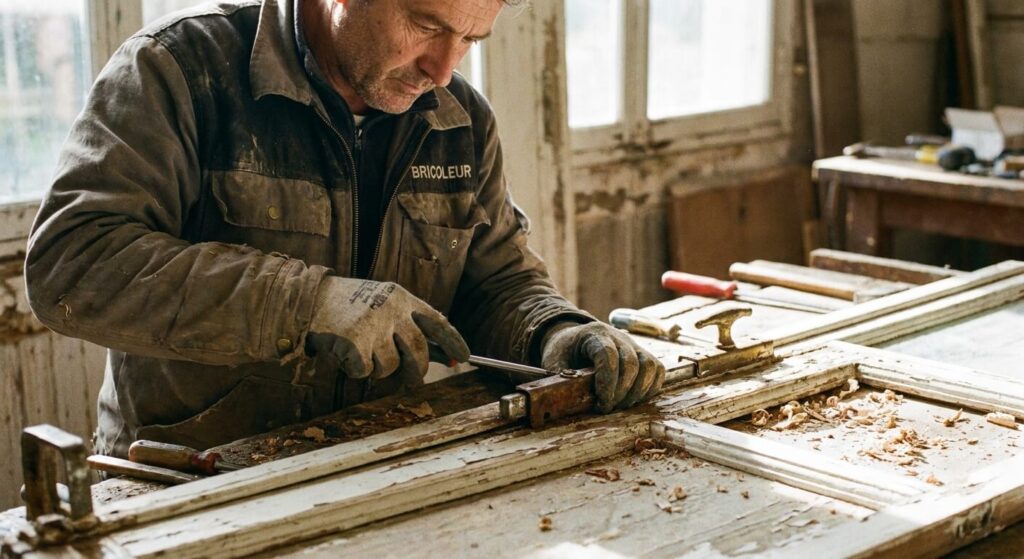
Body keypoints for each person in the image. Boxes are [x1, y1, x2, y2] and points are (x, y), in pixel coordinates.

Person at [25, 0, 665, 458]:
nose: (442, 70)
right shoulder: (180, 70)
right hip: (189, 477)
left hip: (367, 465)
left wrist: (552, 332)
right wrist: (307, 303)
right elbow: (72, 264)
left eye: (470, 40)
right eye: (426, 25)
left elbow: (494, 282)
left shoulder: (457, 118)